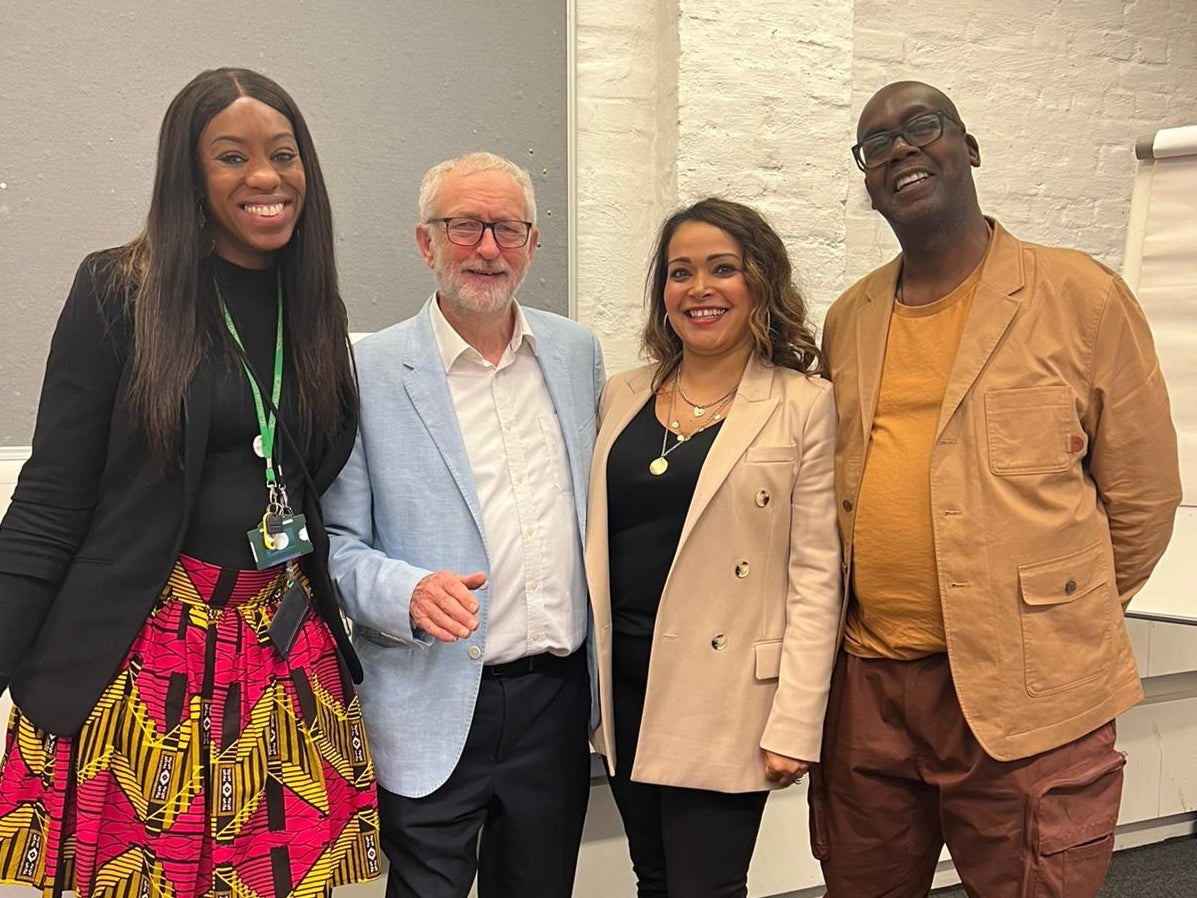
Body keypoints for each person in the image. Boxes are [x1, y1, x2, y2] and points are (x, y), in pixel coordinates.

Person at [0, 68, 380, 898]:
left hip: (279, 648)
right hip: (143, 655)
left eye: (283, 154)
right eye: (232, 157)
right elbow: (53, 494)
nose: (266, 177)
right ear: (188, 174)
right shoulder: (117, 291)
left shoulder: (310, 302)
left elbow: (313, 469)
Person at [814, 80, 1182, 898]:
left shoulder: (1078, 296)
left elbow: (1144, 498)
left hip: (1033, 692)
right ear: (866, 181)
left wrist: (1057, 617)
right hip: (869, 691)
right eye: (875, 145)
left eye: (921, 126)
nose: (899, 149)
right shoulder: (849, 318)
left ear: (969, 148)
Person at [322, 151, 603, 898]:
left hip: (555, 699)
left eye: (506, 229)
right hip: (430, 696)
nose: (486, 248)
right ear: (426, 243)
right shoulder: (365, 370)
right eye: (465, 226)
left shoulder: (576, 354)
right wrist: (405, 591)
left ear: (533, 244)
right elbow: (335, 546)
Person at [584, 198, 842, 898]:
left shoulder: (801, 403)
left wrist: (795, 721)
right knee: (654, 880)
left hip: (730, 693)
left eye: (721, 269)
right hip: (628, 679)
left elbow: (817, 576)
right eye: (680, 272)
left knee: (706, 887)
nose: (698, 289)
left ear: (759, 282)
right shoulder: (621, 395)